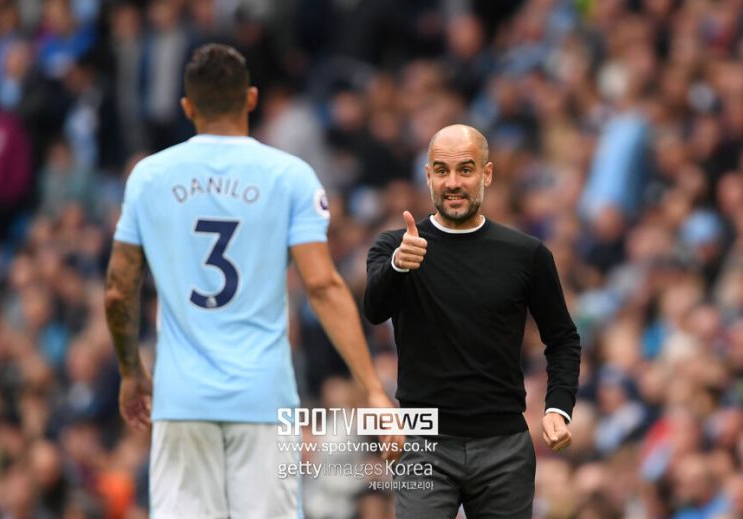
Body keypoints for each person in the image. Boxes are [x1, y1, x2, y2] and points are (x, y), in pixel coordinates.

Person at [104, 43, 396, 519]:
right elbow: (322, 286)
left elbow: (119, 289)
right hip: (262, 395)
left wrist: (131, 372)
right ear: (252, 98)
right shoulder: (290, 176)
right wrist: (373, 388)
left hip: (182, 396)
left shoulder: (148, 177)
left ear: (187, 107)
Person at [363, 124, 581, 518]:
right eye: (441, 171)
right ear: (427, 175)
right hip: (424, 444)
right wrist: (398, 266)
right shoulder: (395, 247)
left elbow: (562, 338)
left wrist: (558, 407)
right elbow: (374, 310)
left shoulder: (526, 254)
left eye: (465, 169)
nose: (453, 182)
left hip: (504, 448)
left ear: (487, 173)